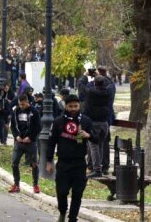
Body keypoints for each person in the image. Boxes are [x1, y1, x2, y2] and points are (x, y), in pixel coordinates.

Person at [46, 94, 96, 222]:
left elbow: (97, 139)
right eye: (70, 106)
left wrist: (88, 135)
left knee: (77, 193)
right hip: (63, 163)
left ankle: (72, 218)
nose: (73, 108)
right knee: (61, 192)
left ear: (79, 106)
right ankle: (62, 212)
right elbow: (51, 142)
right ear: (65, 106)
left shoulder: (85, 121)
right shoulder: (58, 121)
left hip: (79, 163)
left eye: (76, 106)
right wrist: (49, 161)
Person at [78, 73, 110, 178]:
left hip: (94, 123)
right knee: (100, 144)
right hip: (104, 123)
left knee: (94, 145)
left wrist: (85, 75)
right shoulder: (108, 92)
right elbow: (110, 83)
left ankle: (96, 169)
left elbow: (81, 85)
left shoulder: (91, 92)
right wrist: (100, 75)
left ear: (94, 83)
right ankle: (99, 167)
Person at [9, 94, 42, 194]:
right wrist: (16, 136)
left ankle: (35, 185)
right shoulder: (16, 111)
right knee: (14, 163)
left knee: (34, 164)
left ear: (27, 102)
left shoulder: (34, 112)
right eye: (20, 104)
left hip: (30, 142)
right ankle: (16, 184)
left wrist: (30, 137)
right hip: (19, 142)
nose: (21, 106)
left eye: (23, 104)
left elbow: (38, 127)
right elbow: (13, 126)